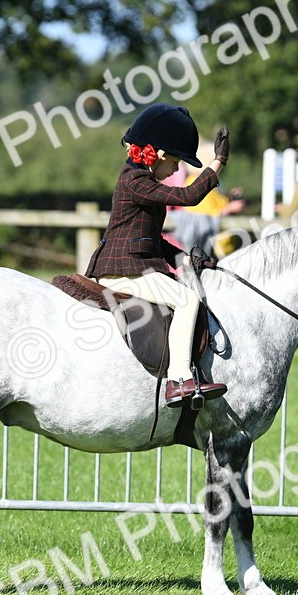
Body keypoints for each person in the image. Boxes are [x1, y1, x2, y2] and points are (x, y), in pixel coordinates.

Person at [84, 103, 231, 408]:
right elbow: (188, 197)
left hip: (135, 263)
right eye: (176, 162)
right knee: (187, 300)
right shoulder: (134, 180)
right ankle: (179, 381)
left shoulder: (143, 181)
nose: (177, 170)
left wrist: (187, 258)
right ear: (160, 155)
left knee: (185, 294)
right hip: (123, 269)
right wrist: (218, 162)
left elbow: (152, 239)